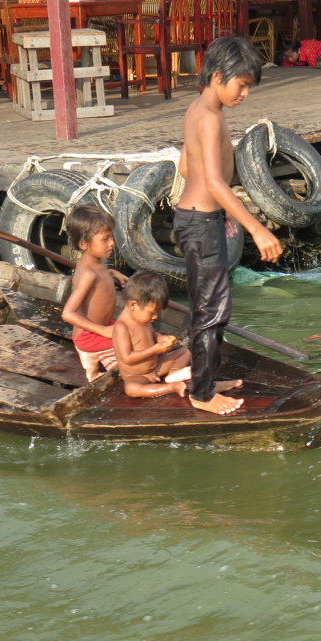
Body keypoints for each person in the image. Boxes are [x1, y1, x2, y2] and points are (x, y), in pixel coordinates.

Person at [176, 35, 283, 415]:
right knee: (212, 310)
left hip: (200, 219)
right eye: (242, 85)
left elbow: (187, 167)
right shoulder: (207, 118)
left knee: (210, 306)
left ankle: (204, 376)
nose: (245, 94)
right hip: (200, 223)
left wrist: (219, 214)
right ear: (219, 76)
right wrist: (257, 227)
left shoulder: (199, 110)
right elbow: (214, 182)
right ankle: (201, 394)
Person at [113, 270, 238, 399]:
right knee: (131, 389)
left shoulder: (143, 318)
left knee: (184, 351)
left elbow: (152, 334)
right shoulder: (121, 327)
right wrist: (155, 349)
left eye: (157, 313)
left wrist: (160, 338)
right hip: (138, 376)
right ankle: (170, 387)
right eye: (152, 313)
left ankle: (173, 374)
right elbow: (127, 358)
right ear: (133, 305)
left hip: (156, 367)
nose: (155, 317)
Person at [61, 204, 127, 382]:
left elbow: (100, 278)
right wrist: (104, 331)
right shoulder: (88, 274)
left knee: (137, 329)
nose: (112, 242)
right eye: (105, 239)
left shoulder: (95, 263)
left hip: (103, 327)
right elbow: (68, 314)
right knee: (133, 349)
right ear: (84, 244)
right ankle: (96, 365)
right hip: (90, 336)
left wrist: (113, 274)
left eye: (111, 236)